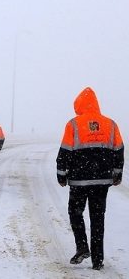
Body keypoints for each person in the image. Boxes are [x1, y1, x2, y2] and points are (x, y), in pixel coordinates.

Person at [56, 87, 124, 270]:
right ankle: (98, 260)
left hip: (79, 180)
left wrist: (61, 174)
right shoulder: (111, 124)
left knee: (75, 212)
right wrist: (117, 173)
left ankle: (82, 246)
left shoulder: (74, 124)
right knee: (98, 218)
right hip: (102, 181)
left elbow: (65, 152)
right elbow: (119, 150)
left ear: (79, 105)